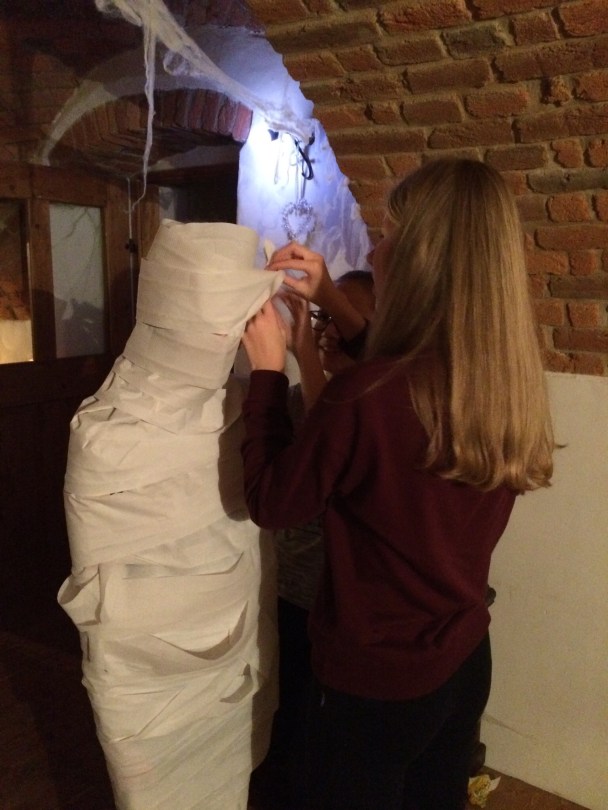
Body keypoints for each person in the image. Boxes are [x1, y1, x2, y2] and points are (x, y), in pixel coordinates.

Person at [239, 158, 555, 810]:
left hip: (375, 685)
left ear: (422, 260)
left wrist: (267, 373)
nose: (374, 251)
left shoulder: (367, 395)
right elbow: (396, 378)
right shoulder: (496, 379)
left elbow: (273, 501)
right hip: (463, 657)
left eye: (388, 235)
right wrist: (331, 298)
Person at [58, 220, 285, 810]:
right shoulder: (104, 437)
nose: (226, 340)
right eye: (218, 325)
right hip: (145, 680)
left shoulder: (238, 410)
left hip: (231, 651)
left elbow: (255, 530)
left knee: (229, 772)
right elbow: (104, 593)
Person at [252, 271, 375, 809]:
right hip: (289, 587)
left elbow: (330, 442)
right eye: (324, 316)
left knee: (315, 735)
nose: (329, 330)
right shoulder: (304, 397)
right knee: (282, 715)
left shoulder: (371, 405)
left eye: (347, 319)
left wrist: (294, 353)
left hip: (335, 603)